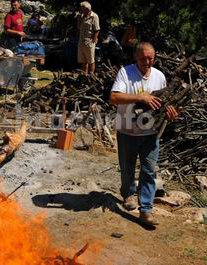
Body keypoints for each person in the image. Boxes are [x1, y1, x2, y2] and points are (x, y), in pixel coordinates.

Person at [110, 42, 179, 226]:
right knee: (127, 168)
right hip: (127, 130)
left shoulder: (159, 76)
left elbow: (164, 103)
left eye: (150, 58)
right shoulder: (126, 73)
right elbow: (114, 97)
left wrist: (170, 111)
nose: (147, 62)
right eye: (143, 58)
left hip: (150, 133)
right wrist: (141, 97)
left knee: (149, 171)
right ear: (135, 57)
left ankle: (146, 210)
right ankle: (128, 194)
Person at [76, 1, 100, 75]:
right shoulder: (82, 16)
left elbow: (97, 29)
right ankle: (84, 75)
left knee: (91, 60)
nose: (81, 10)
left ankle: (91, 75)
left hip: (89, 41)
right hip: (81, 41)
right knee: (84, 61)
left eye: (82, 9)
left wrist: (94, 39)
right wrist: (79, 19)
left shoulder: (94, 16)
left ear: (87, 9)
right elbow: (78, 27)